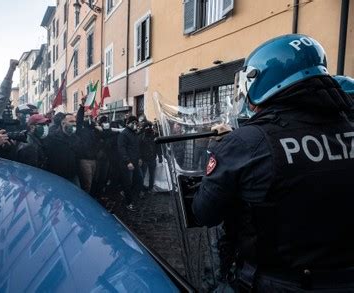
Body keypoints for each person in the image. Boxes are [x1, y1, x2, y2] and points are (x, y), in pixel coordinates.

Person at [192, 34, 354, 291]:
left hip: (274, 281)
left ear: (264, 79)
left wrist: (220, 148)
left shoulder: (246, 142)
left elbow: (204, 212)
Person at [44, 113, 81, 185]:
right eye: (71, 121)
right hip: (57, 177)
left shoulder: (76, 138)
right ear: (63, 123)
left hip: (72, 175)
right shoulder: (52, 137)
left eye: (75, 121)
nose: (74, 124)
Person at [118, 115, 143, 212]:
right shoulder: (123, 134)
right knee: (127, 183)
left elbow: (137, 148)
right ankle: (129, 203)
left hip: (135, 162)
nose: (135, 125)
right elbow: (121, 149)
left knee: (139, 180)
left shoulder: (134, 134)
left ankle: (127, 193)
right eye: (133, 123)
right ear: (128, 123)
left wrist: (139, 158)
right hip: (127, 164)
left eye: (136, 123)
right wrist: (128, 162)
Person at [139, 121, 163, 194]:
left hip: (152, 158)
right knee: (142, 175)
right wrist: (139, 158)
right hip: (144, 159)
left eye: (149, 126)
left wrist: (160, 156)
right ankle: (141, 190)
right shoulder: (141, 136)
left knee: (152, 175)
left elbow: (158, 146)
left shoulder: (155, 135)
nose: (148, 128)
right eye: (146, 127)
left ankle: (150, 188)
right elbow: (138, 148)